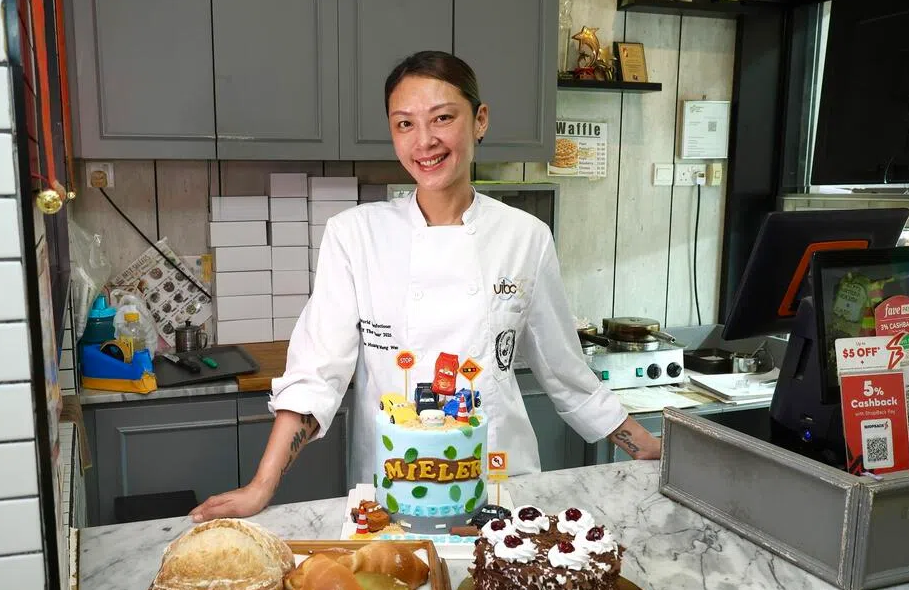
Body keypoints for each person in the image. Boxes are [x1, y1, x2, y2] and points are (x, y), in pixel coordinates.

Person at [191, 51, 659, 522]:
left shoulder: (525, 237)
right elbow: (316, 375)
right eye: (404, 124)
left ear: (479, 120)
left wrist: (648, 448)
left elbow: (567, 374)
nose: (425, 141)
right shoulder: (355, 235)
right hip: (394, 488)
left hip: (498, 484)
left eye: (442, 118)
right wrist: (260, 486)